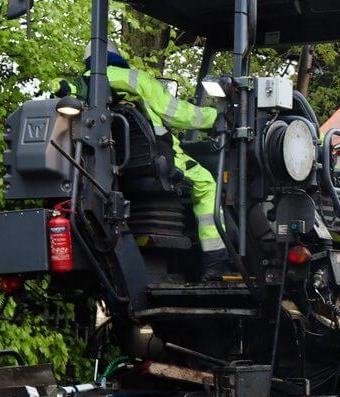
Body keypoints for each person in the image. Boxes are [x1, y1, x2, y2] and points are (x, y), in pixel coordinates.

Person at [59, 42, 231, 280]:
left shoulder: (80, 87)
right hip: (154, 161)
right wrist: (217, 117)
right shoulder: (134, 79)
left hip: (110, 170)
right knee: (207, 185)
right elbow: (176, 112)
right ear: (115, 56)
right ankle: (216, 263)